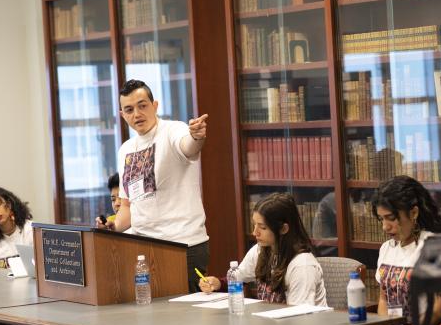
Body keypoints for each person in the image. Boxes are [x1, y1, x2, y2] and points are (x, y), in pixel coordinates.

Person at [95, 79, 209, 292]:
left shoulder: (173, 130)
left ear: (155, 106)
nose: (136, 114)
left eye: (142, 106)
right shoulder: (126, 150)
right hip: (143, 248)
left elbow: (189, 147)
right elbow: (128, 206)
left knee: (185, 319)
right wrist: (113, 227)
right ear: (123, 115)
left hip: (183, 246)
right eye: (129, 109)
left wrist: (197, 137)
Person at [365, 176, 441, 325]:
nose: (385, 226)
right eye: (381, 219)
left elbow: (440, 310)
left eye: (391, 218)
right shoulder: (387, 248)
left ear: (413, 213)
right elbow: (383, 298)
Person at [199, 192, 327, 306]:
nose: (255, 232)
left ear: (283, 229)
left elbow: (300, 315)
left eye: (262, 227)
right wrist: (217, 283)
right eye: (254, 225)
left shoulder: (302, 266)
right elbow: (238, 278)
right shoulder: (261, 250)